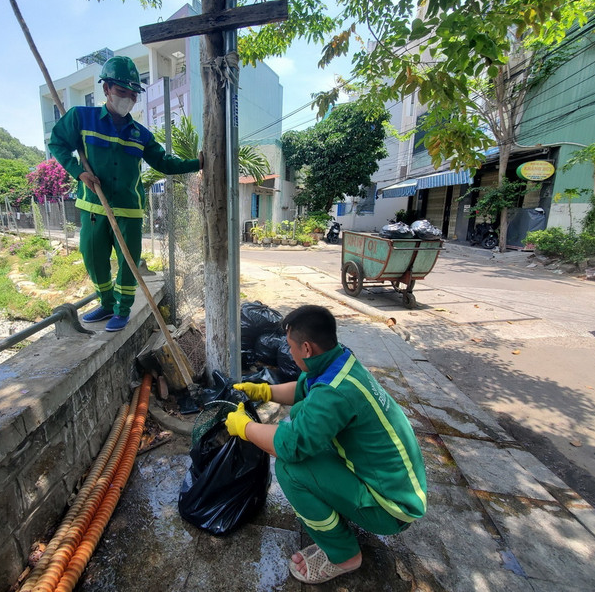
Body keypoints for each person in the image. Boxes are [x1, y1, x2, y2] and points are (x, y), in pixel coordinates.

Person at [225, 305, 427, 585]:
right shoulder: (339, 360)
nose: (290, 352)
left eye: (291, 346)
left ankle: (343, 555)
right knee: (301, 420)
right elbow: (303, 388)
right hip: (399, 483)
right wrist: (264, 390)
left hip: (391, 508)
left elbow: (289, 445)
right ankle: (344, 518)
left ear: (306, 348)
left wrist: (244, 428)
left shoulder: (334, 393)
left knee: (289, 467)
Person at [49, 55, 203, 332]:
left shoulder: (140, 134)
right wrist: (78, 171)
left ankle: (122, 310)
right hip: (94, 206)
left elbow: (165, 163)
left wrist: (198, 163)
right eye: (122, 92)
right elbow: (58, 143)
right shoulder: (81, 118)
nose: (128, 99)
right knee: (93, 259)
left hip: (129, 211)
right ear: (106, 88)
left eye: (133, 95)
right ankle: (107, 303)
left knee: (128, 264)